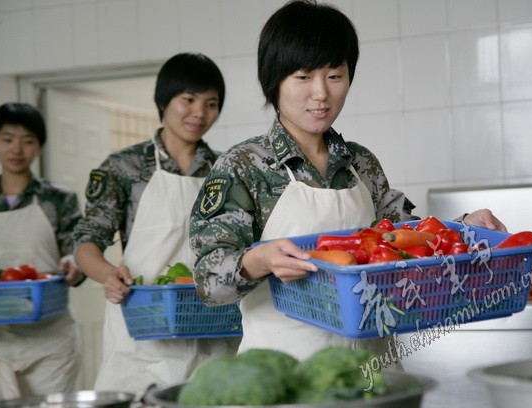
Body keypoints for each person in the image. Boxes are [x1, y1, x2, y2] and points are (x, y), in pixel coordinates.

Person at [189, 0, 507, 364]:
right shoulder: (244, 166)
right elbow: (207, 282)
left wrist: (465, 226)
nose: (321, 93)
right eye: (303, 77)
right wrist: (258, 260)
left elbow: (410, 240)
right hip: (287, 374)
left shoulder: (360, 162)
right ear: (274, 80)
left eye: (335, 76)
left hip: (375, 370)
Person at [73, 53, 240, 393]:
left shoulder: (227, 169)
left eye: (211, 103)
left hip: (212, 327)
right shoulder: (124, 167)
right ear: (164, 101)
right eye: (188, 100)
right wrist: (107, 274)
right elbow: (86, 240)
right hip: (142, 331)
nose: (199, 113)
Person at [0, 103, 84, 405]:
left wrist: (75, 263)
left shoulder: (59, 200)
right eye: (7, 139)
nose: (17, 149)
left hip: (49, 343)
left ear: (39, 146)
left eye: (28, 140)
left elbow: (78, 251)